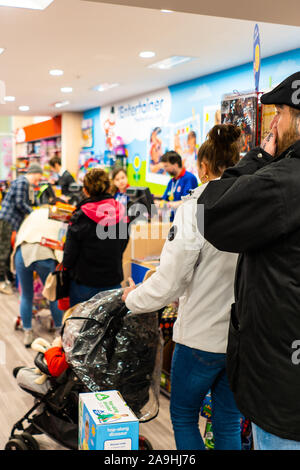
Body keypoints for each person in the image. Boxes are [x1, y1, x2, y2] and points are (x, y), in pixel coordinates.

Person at [196, 71, 300, 450]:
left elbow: (210, 211)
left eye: (281, 113)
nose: (274, 122)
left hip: (282, 393)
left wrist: (258, 156)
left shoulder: (284, 180)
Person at [122, 124, 242, 450]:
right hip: (241, 338)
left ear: (202, 168)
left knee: (185, 416)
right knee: (228, 422)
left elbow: (170, 282)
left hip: (200, 338)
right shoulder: (252, 206)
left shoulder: (196, 208)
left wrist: (132, 299)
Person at [63, 168, 129, 307]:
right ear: (110, 187)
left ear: (86, 190)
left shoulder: (80, 216)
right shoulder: (121, 212)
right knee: (109, 326)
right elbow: (123, 244)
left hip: (84, 283)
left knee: (79, 326)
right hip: (113, 280)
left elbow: (69, 254)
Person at [11, 207, 64, 347]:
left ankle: (27, 332)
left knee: (26, 296)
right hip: (44, 253)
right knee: (53, 295)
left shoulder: (34, 214)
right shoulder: (58, 216)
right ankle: (59, 332)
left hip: (22, 251)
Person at [0, 163, 43, 295]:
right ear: (35, 173)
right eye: (39, 177)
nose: (39, 180)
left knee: (7, 250)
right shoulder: (23, 182)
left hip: (10, 221)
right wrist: (34, 213)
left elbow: (29, 201)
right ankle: (1, 281)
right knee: (3, 251)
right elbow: (19, 203)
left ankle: (8, 278)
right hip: (7, 221)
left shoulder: (24, 183)